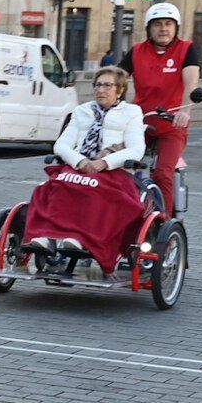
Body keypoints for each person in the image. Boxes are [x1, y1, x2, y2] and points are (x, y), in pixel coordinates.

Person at [22, 66, 147, 272]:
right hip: (80, 166)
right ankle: (45, 237)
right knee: (52, 186)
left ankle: (80, 239)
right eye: (97, 85)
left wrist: (104, 163)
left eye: (107, 85)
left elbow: (136, 149)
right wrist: (80, 161)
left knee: (93, 189)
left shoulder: (131, 112)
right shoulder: (82, 111)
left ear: (120, 90)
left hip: (112, 170)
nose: (101, 90)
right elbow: (61, 145)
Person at [126, 1, 201, 212]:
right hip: (140, 121)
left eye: (169, 23)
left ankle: (163, 225)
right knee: (122, 166)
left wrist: (184, 111)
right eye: (157, 24)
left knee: (162, 174)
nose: (163, 28)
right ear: (149, 28)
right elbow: (117, 78)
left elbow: (191, 82)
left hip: (172, 124)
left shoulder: (186, 49)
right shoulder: (137, 51)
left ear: (176, 27)